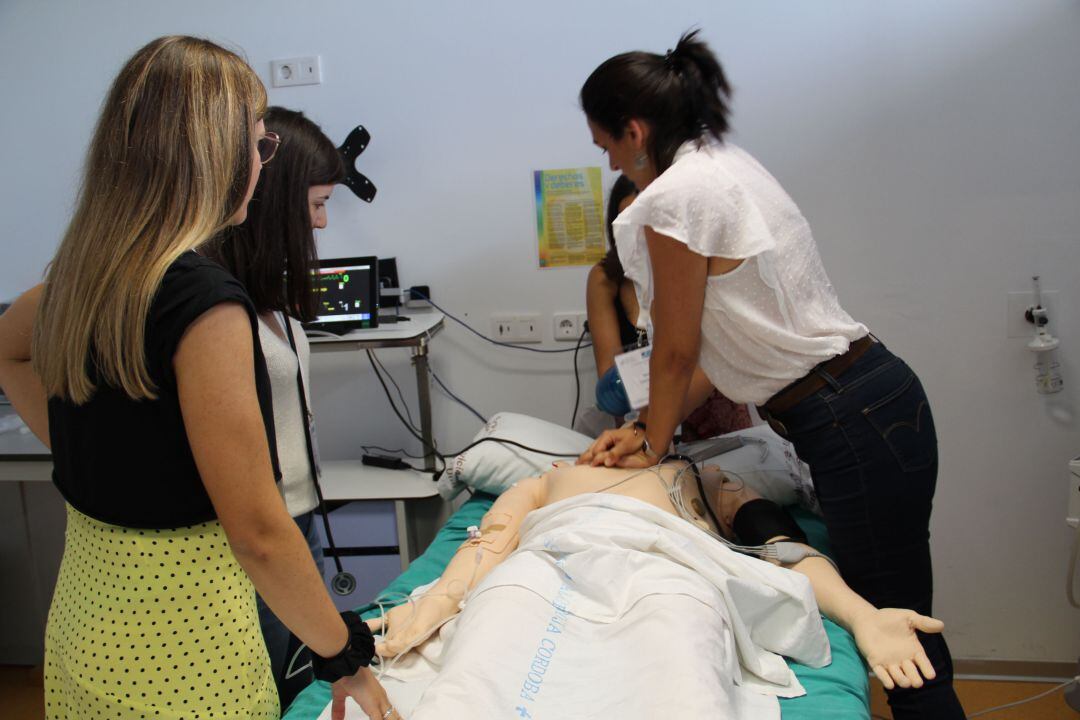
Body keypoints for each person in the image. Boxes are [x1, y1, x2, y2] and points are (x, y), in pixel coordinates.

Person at [0, 37, 394, 720]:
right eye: (259, 145)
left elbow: (8, 353)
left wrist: (88, 457)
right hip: (186, 646)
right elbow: (258, 531)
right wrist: (343, 655)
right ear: (212, 151)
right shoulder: (204, 301)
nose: (260, 162)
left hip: (85, 628)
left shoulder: (81, 276)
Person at [574, 30, 962, 718]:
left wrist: (654, 443)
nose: (604, 158)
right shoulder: (720, 163)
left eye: (603, 144)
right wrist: (644, 428)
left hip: (847, 415)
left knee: (893, 626)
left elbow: (675, 353)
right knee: (902, 611)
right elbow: (720, 357)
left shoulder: (672, 201)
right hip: (873, 398)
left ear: (635, 131)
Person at [370, 460, 944, 708]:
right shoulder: (551, 477)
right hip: (545, 566)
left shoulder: (700, 474)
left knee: (677, 682)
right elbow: (490, 543)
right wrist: (438, 604)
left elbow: (781, 545)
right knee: (480, 674)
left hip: (668, 569)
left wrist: (863, 616)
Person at [205, 106, 345, 709]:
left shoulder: (269, 301)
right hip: (258, 538)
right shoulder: (212, 309)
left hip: (297, 523)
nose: (321, 223)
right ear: (274, 200)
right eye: (315, 205)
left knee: (298, 691)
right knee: (278, 692)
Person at [586, 175, 752, 439]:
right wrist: (643, 427)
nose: (640, 237)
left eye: (648, 224)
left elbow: (716, 360)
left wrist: (654, 426)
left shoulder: (700, 265)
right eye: (630, 225)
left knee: (722, 476)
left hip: (711, 413)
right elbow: (611, 381)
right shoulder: (606, 279)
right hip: (641, 415)